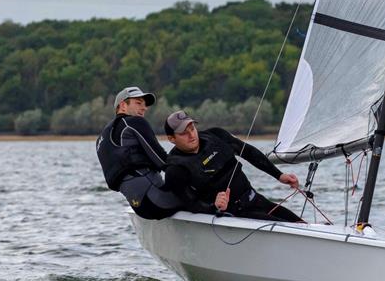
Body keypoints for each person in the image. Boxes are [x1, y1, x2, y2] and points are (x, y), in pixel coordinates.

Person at [163, 110, 304, 223]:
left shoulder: (216, 136)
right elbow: (190, 204)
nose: (191, 135)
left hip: (256, 199)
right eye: (183, 133)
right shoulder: (175, 169)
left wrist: (279, 175)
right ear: (171, 139)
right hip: (236, 216)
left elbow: (249, 152)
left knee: (301, 225)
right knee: (291, 230)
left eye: (192, 128)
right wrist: (214, 206)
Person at [96, 86, 214, 219]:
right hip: (157, 201)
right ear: (123, 105)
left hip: (140, 207)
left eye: (145, 105)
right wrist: (200, 169)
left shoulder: (101, 138)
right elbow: (162, 161)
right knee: (207, 191)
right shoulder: (134, 122)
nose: (144, 108)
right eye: (138, 103)